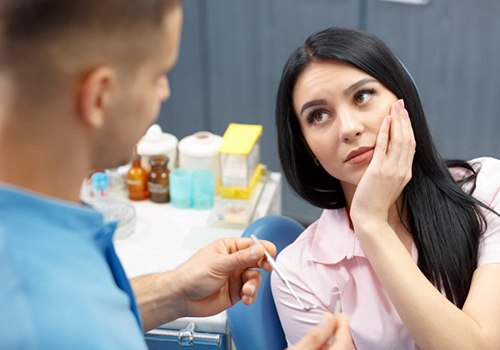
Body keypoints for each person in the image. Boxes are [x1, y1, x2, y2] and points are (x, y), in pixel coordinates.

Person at [0, 1, 350, 349]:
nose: (165, 92)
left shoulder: (42, 241)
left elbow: (76, 312)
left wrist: (173, 291)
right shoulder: (34, 315)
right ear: (100, 97)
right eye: (158, 76)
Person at [272, 27, 500, 349]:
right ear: (308, 147)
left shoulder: (487, 189)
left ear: (401, 99)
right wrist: (370, 221)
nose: (349, 128)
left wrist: (371, 222)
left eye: (362, 96)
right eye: (319, 115)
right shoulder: (298, 274)